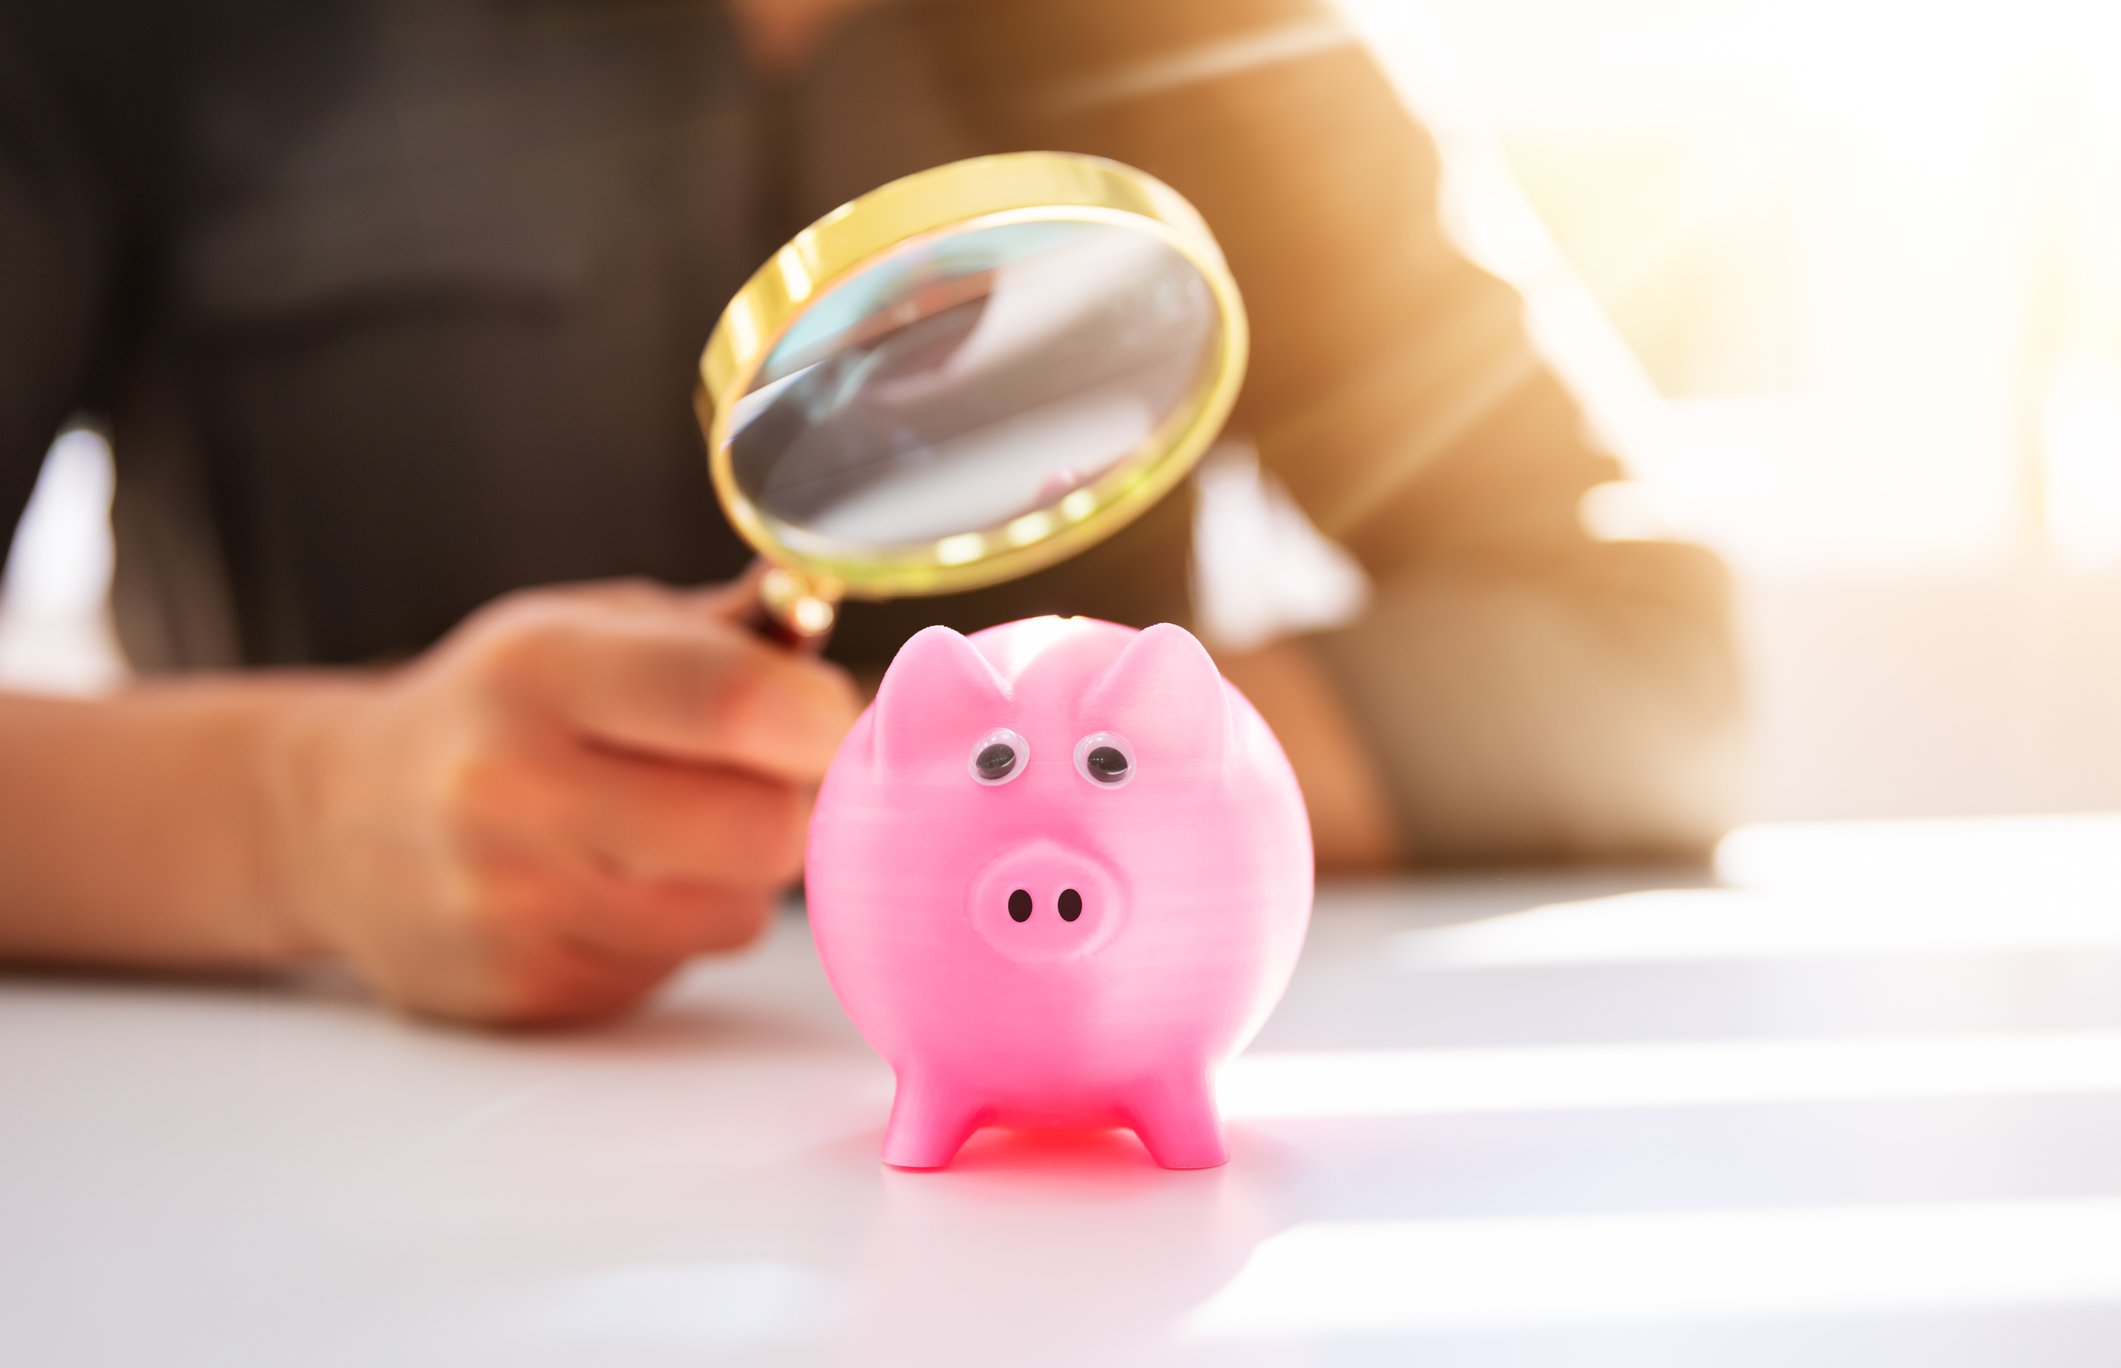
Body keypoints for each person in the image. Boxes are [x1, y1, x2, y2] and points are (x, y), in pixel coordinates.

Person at [0, 0, 1741, 1024]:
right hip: (318, 1183)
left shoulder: (1212, 39)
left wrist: (1038, 781)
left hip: (1050, 1213)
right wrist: (293, 817)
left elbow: (1640, 653)